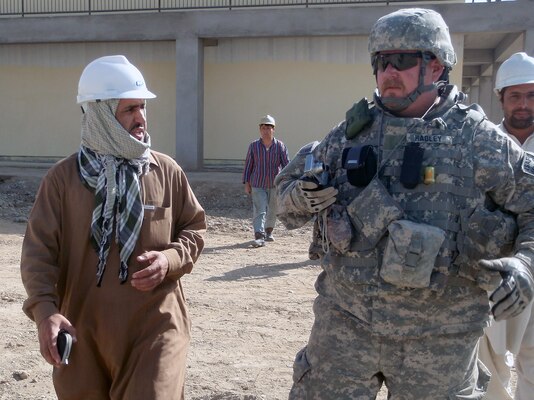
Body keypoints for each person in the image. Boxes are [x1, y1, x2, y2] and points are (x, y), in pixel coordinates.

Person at [275, 8, 534, 399]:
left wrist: (525, 265)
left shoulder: (478, 141)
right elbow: (285, 199)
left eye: (402, 60)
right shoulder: (349, 134)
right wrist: (302, 196)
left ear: (435, 66)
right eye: (380, 61)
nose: (388, 72)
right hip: (346, 326)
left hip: (440, 338)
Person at [20, 55, 206, 400]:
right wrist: (45, 312)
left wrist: (170, 260)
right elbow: (37, 254)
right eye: (129, 109)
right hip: (83, 332)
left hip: (156, 327)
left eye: (143, 107)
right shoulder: (62, 181)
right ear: (100, 115)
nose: (141, 118)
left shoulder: (165, 171)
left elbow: (194, 228)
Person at [478, 52, 534, 400]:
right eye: (515, 95)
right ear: (501, 97)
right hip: (496, 274)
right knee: (489, 362)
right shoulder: (484, 146)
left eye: (532, 95)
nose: (524, 104)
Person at [242, 114, 289, 247]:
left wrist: (287, 182)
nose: (265, 130)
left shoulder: (280, 146)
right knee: (259, 210)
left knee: (273, 209)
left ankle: (268, 232)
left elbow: (286, 165)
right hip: (258, 184)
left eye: (268, 128)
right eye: (263, 128)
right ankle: (259, 235)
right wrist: (247, 183)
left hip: (275, 184)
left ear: (273, 129)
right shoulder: (254, 146)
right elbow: (248, 165)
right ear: (260, 130)